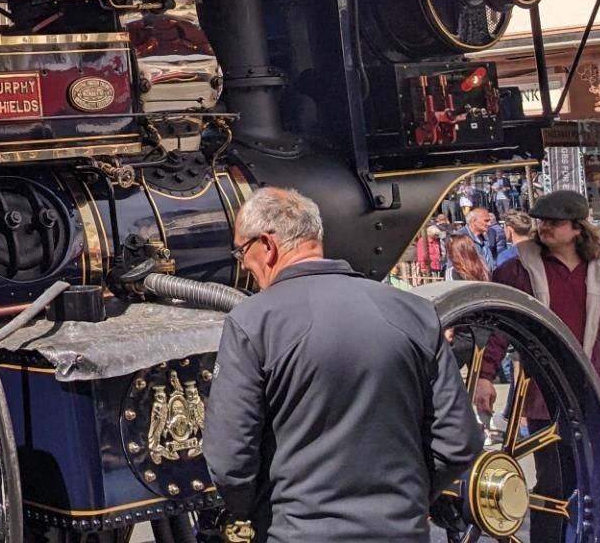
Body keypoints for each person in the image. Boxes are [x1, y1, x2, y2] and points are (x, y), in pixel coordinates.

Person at [205, 188, 480, 542]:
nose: (243, 264)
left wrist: (260, 512)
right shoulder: (414, 312)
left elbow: (230, 462)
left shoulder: (253, 322)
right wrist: (407, 499)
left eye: (242, 251)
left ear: (268, 245)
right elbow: (459, 441)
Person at [478, 189, 600, 543]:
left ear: (577, 228)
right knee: (554, 489)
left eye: (554, 223)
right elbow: (496, 327)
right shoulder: (516, 270)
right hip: (546, 398)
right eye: (541, 222)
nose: (544, 228)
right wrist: (485, 375)